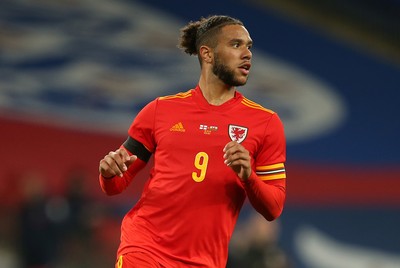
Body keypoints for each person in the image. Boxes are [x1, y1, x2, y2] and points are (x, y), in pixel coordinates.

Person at [98, 15, 287, 268]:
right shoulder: (160, 110)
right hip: (145, 249)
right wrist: (109, 172)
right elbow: (115, 185)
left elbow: (273, 208)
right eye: (235, 45)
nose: (247, 54)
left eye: (248, 46)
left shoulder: (265, 123)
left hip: (204, 261)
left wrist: (248, 176)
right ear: (207, 54)